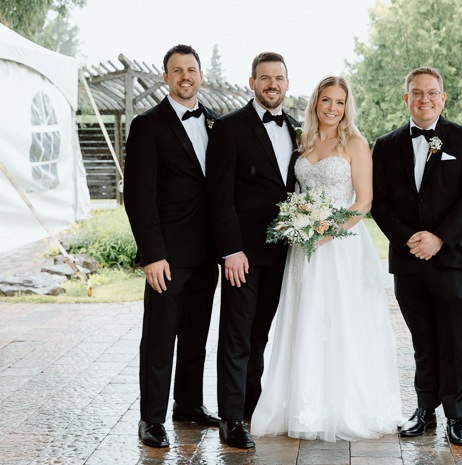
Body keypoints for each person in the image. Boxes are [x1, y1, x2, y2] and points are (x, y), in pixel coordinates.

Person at [250, 76, 404, 441]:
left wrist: (327, 233)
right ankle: (305, 405)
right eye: (326, 101)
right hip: (304, 249)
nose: (332, 108)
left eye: (339, 102)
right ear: (315, 103)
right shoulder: (303, 141)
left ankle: (346, 404)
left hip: (341, 246)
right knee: (307, 319)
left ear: (346, 106)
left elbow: (363, 202)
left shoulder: (355, 143)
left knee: (341, 320)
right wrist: (300, 226)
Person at [371, 67, 462, 445]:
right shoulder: (385, 145)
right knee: (421, 339)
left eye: (431, 93)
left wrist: (439, 237)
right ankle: (424, 410)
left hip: (451, 258)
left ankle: (456, 415)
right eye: (416, 93)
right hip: (407, 260)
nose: (424, 99)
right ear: (406, 99)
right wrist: (409, 239)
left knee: (452, 338)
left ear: (443, 98)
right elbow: (380, 203)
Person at [124, 44, 220, 448]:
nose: (185, 77)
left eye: (191, 70)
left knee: (197, 334)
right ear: (165, 77)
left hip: (206, 254)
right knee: (160, 338)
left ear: (200, 76)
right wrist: (152, 254)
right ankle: (151, 419)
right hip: (167, 254)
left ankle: (189, 406)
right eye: (177, 70)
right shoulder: (147, 125)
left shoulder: (216, 122)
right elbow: (138, 197)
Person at [206, 52, 299, 449]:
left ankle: (250, 405)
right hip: (242, 255)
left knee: (260, 333)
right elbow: (219, 195)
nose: (272, 84)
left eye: (279, 78)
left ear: (287, 84)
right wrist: (230, 250)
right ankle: (230, 418)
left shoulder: (296, 128)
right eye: (265, 78)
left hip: (283, 252)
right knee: (236, 334)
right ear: (252, 82)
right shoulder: (229, 128)